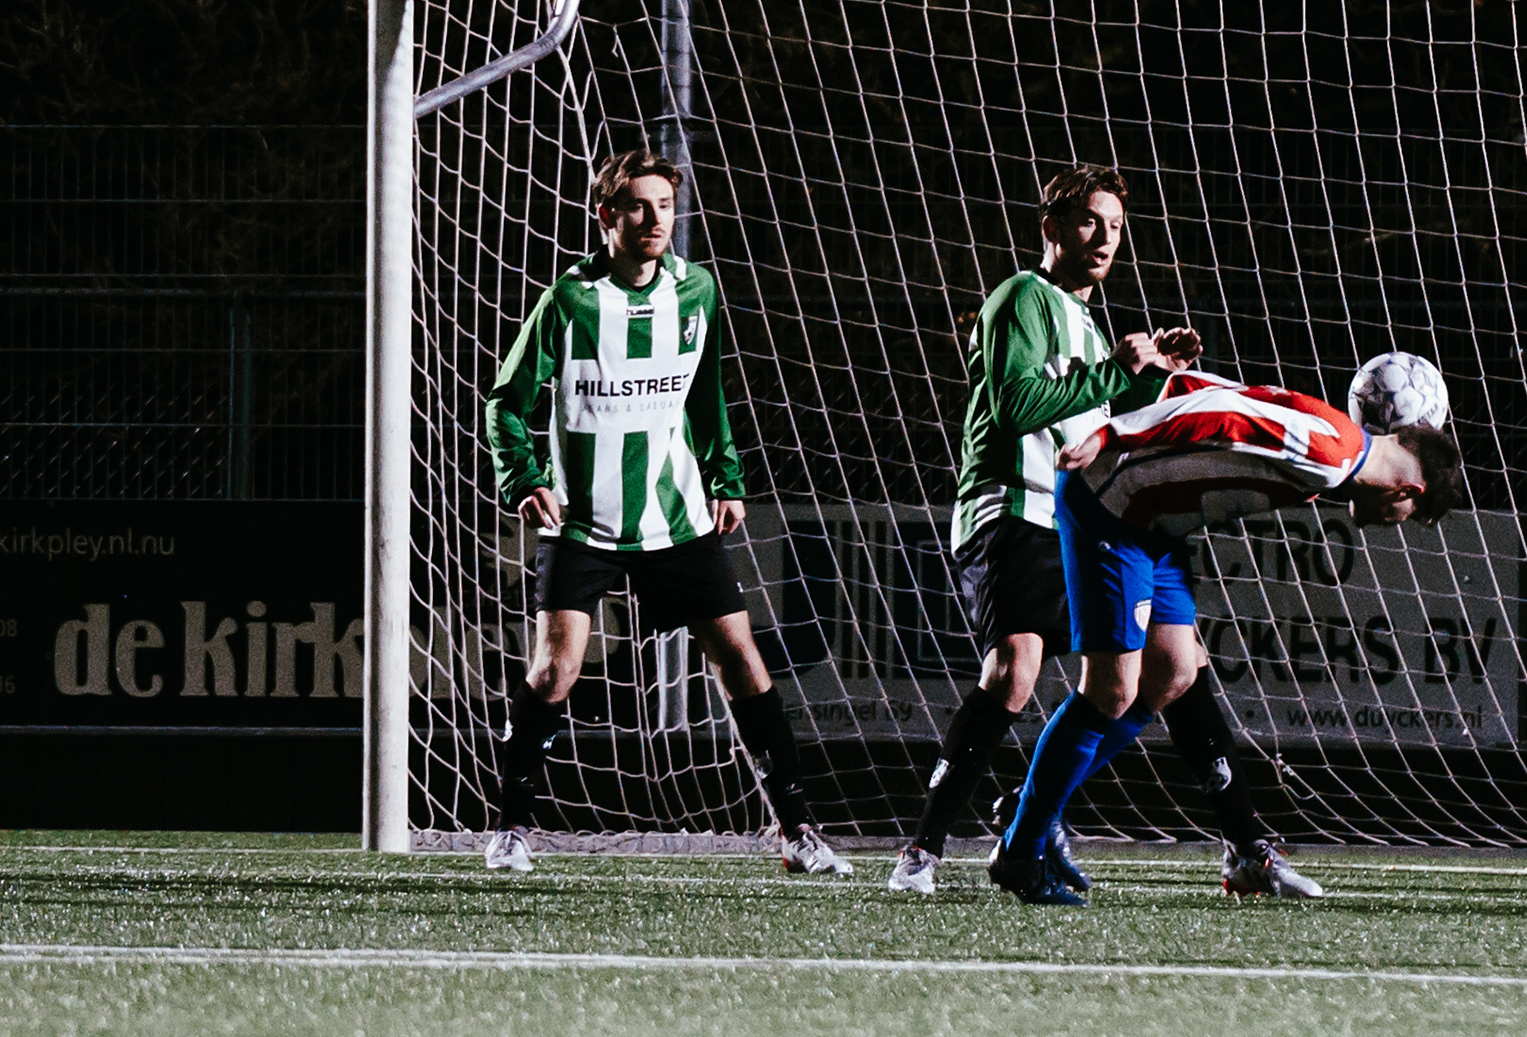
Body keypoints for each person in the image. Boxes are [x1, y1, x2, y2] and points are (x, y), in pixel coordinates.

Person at [886, 170, 1295, 898]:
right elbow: (1015, 405)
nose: (1105, 238)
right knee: (1013, 672)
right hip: (1012, 506)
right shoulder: (1022, 296)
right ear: (1051, 226)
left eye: (1115, 226)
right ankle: (922, 849)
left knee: (1172, 665)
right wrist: (1115, 371)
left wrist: (1154, 377)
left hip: (1081, 516)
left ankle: (1225, 841)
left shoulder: (1091, 324)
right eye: (1089, 221)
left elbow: (1097, 418)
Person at [480, 148, 848, 878]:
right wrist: (522, 477)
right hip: (582, 521)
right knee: (555, 669)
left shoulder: (697, 289)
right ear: (606, 215)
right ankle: (512, 828)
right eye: (639, 206)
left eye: (666, 207)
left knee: (742, 659)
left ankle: (798, 828)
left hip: (676, 517)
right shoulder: (571, 300)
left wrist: (726, 477)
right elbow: (506, 402)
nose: (656, 220)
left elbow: (707, 393)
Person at [987, 354, 1467, 904]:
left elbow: (1217, 390)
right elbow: (1224, 415)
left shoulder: (1339, 440)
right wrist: (1113, 433)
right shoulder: (1328, 454)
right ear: (1410, 492)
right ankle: (1021, 850)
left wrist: (1164, 387)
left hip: (1155, 523)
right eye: (1407, 518)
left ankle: (1037, 803)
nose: (1393, 524)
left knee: (1173, 672)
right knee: (1111, 690)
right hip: (1112, 505)